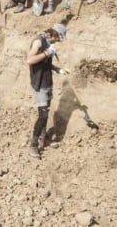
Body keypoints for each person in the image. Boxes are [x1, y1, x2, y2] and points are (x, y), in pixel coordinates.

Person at [26, 23, 69, 158]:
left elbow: (46, 63)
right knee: (43, 115)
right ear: (54, 34)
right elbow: (30, 60)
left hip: (47, 81)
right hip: (39, 83)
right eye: (59, 38)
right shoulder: (39, 42)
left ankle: (42, 140)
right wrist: (47, 52)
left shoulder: (49, 43)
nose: (59, 41)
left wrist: (58, 69)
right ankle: (33, 145)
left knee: (46, 113)